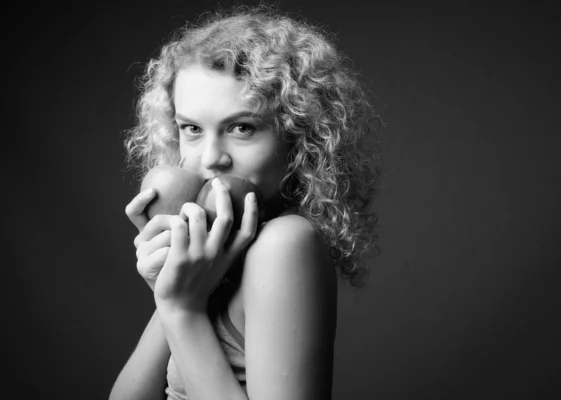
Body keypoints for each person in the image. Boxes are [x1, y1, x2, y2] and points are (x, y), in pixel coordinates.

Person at [110, 5, 380, 400]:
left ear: (297, 136)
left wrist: (182, 309)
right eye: (192, 129)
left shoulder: (285, 242)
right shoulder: (214, 260)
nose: (210, 158)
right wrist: (170, 288)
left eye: (241, 128)